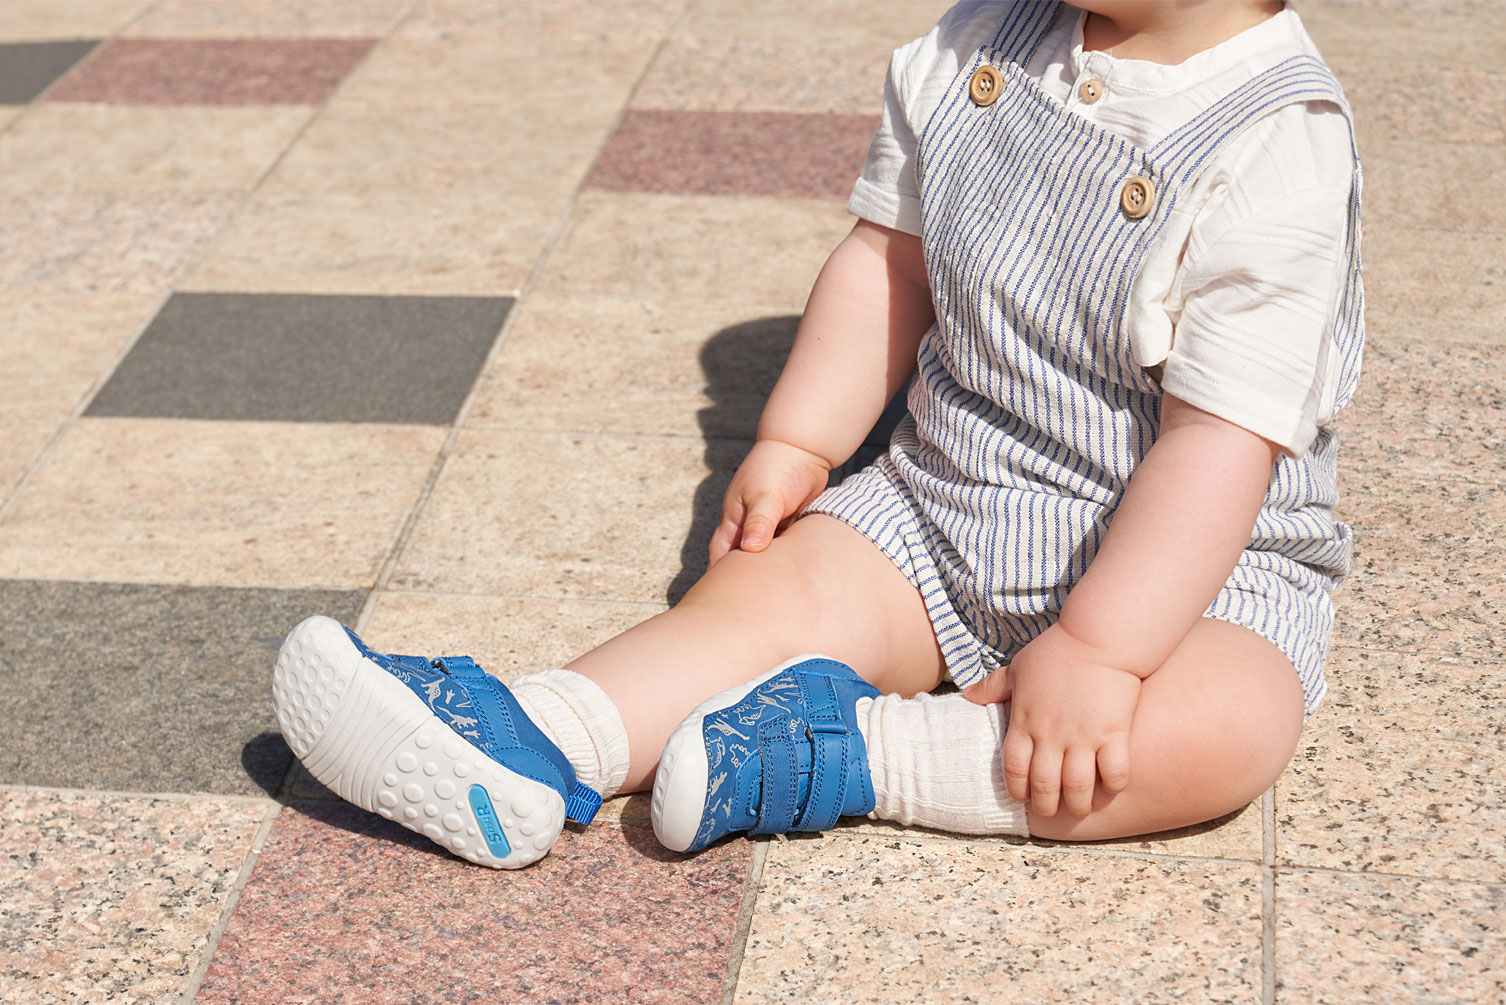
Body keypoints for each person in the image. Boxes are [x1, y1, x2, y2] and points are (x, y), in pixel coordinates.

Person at [272, 0, 1363, 868]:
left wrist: (1098, 650)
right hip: (947, 498)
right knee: (770, 591)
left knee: (1229, 727)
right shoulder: (981, 39)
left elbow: (1217, 447)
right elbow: (885, 260)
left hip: (1192, 571)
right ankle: (543, 737)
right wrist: (802, 439)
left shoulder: (1276, 149)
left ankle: (857, 754)